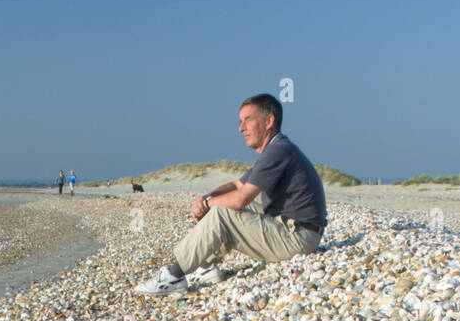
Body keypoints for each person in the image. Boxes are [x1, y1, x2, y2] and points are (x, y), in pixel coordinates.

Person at [134, 94, 326, 294]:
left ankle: (173, 277)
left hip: (298, 238)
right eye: (240, 122)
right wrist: (207, 197)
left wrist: (209, 205)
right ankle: (206, 267)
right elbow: (237, 184)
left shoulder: (278, 151)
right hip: (297, 229)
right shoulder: (277, 148)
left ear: (269, 121)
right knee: (221, 205)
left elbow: (241, 199)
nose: (241, 128)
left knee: (222, 212)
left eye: (247, 120)